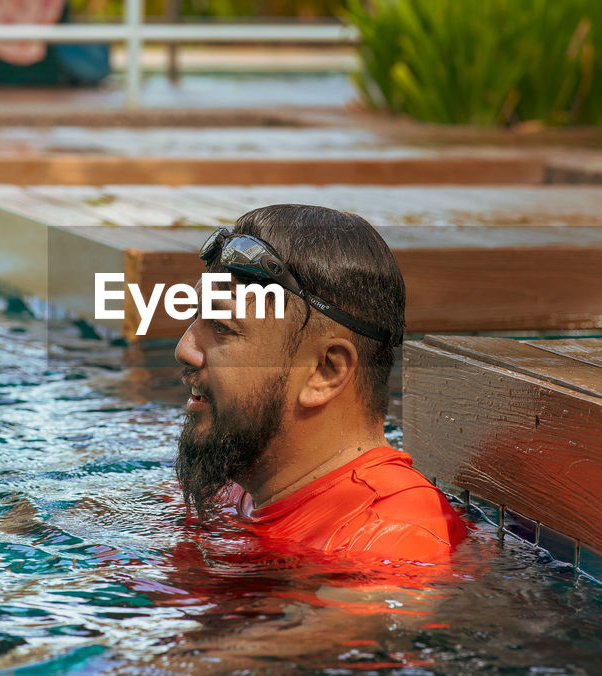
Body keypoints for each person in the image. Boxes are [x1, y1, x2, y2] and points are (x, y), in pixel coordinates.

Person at [174, 203, 468, 569]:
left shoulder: (392, 541)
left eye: (222, 328)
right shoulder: (234, 488)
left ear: (324, 371)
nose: (184, 349)